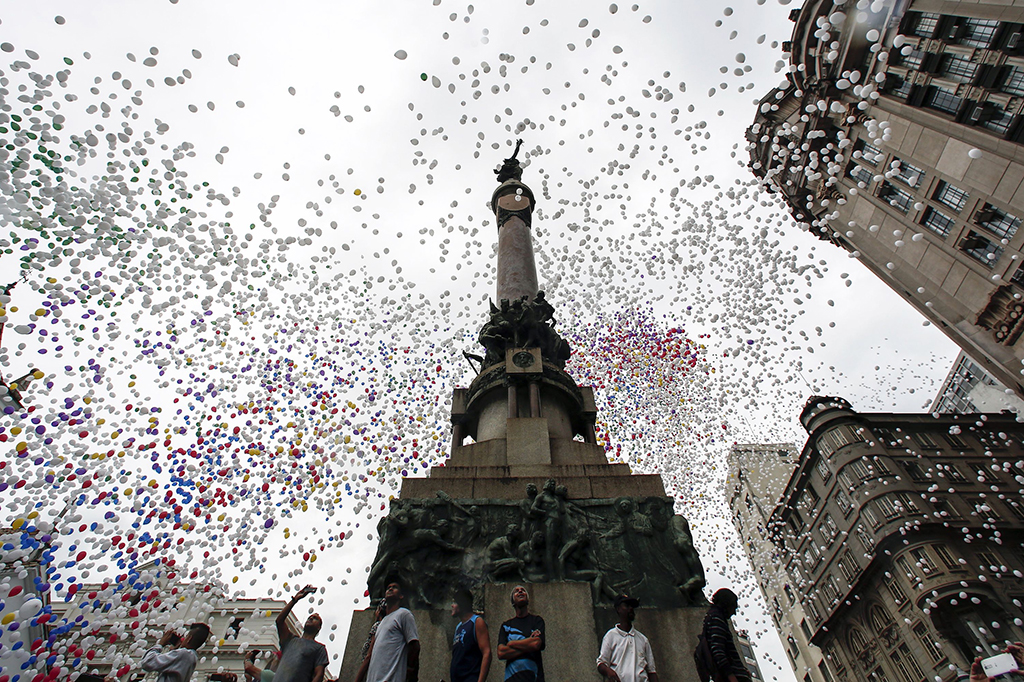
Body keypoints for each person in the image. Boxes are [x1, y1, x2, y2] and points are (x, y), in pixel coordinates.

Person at [356, 580, 420, 682]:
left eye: (394, 587)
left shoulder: (404, 614)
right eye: (388, 587)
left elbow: (414, 645)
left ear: (401, 596)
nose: (390, 588)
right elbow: (370, 655)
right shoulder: (381, 624)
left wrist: (410, 673)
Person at [597, 594, 658, 682]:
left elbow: (651, 671)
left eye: (632, 606)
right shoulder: (611, 636)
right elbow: (601, 663)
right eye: (627, 606)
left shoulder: (643, 640)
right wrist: (608, 671)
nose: (630, 608)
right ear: (618, 609)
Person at [275, 585, 328, 682]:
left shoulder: (319, 649)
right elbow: (279, 621)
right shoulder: (290, 640)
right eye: (309, 617)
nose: (311, 618)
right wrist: (295, 600)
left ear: (319, 627)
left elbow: (319, 674)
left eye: (315, 618)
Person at [697, 588, 751, 682]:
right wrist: (731, 676)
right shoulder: (717, 619)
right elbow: (718, 651)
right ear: (726, 605)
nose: (734, 612)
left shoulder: (714, 617)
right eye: (733, 607)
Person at [497, 585, 545, 682]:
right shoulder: (506, 626)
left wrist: (511, 644)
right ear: (512, 601)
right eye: (516, 591)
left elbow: (536, 644)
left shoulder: (536, 621)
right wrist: (528, 645)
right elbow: (501, 652)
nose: (520, 592)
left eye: (523, 590)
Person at [141, 622, 211, 682]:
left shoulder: (184, 654)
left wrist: (160, 644)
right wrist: (174, 650)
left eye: (186, 636)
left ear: (189, 639)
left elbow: (148, 662)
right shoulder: (192, 657)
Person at [450, 589, 492, 682]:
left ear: (462, 603)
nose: (452, 606)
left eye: (455, 602)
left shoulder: (477, 622)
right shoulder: (458, 627)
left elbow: (487, 652)